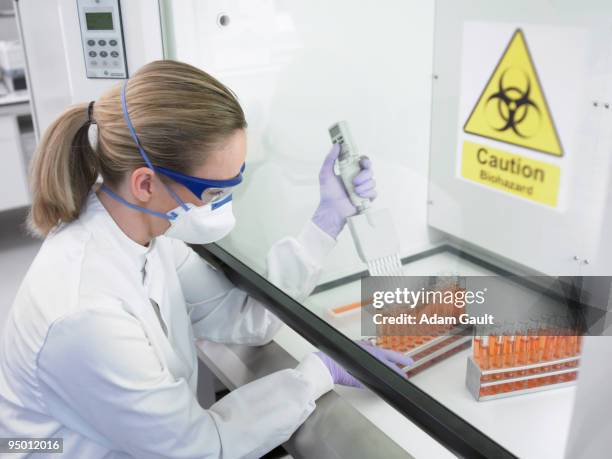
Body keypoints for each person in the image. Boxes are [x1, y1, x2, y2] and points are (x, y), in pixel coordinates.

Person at [0, 60, 410, 458]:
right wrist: (319, 372)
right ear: (145, 184)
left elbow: (242, 318)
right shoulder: (85, 313)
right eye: (214, 192)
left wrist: (328, 217)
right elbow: (200, 447)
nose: (224, 204)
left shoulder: (148, 238)